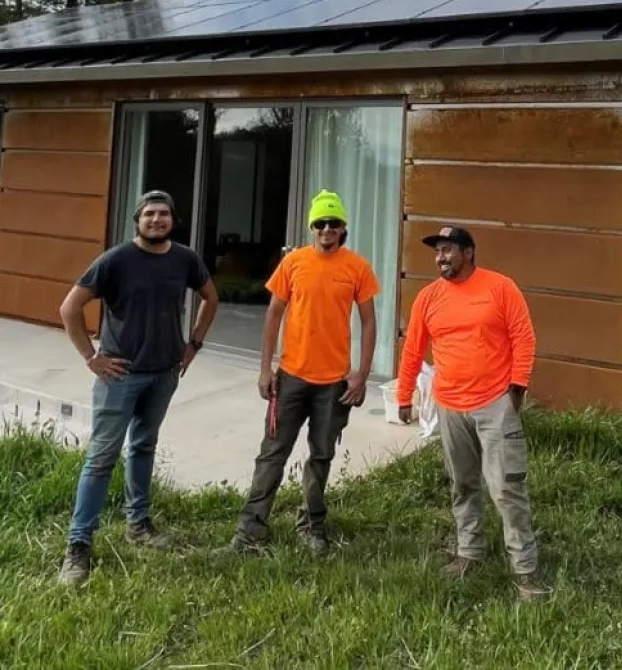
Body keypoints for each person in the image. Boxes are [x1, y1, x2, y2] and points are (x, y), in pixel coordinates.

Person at [57, 190, 219, 586]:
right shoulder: (115, 260)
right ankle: (78, 546)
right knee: (101, 458)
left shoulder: (185, 259)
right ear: (137, 221)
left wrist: (193, 344)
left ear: (172, 221)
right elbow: (69, 308)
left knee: (144, 446)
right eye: (149, 214)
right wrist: (91, 357)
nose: (157, 220)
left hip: (164, 373)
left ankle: (139, 524)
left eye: (164, 214)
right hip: (121, 375)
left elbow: (210, 298)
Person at [396, 226, 550, 602]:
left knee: (507, 487)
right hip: (450, 406)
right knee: (462, 484)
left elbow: (523, 337)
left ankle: (525, 570)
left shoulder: (500, 288)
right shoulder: (428, 298)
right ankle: (470, 552)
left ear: (468, 252)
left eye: (448, 250)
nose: (440, 258)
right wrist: (404, 395)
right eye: (438, 252)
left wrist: (517, 387)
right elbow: (413, 349)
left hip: (495, 403)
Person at [228, 189, 379, 555]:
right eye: (320, 223)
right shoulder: (293, 263)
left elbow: (369, 322)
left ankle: (311, 524)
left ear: (343, 228)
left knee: (321, 455)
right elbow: (273, 314)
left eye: (333, 223)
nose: (326, 229)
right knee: (272, 452)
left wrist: (361, 375)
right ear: (312, 227)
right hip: (291, 377)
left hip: (334, 384)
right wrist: (266, 369)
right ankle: (252, 528)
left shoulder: (357, 267)